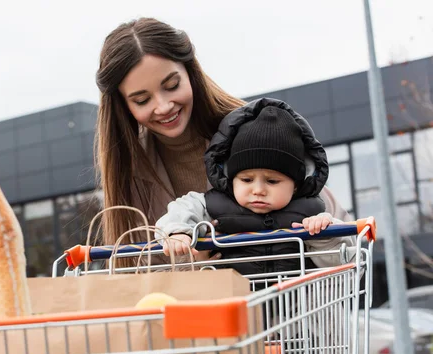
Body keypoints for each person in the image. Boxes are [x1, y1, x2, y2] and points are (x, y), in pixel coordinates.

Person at [94, 17, 352, 261]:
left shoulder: (252, 132)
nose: (163, 106)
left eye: (172, 85)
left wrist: (322, 235)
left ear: (190, 73)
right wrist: (197, 268)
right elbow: (143, 273)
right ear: (123, 105)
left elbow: (333, 234)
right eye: (142, 100)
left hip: (288, 300)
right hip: (196, 304)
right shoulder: (130, 171)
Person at [155, 97, 353, 272]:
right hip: (234, 303)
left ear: (295, 185)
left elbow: (342, 262)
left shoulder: (309, 213)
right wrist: (178, 231)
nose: (258, 190)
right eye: (246, 180)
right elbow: (183, 208)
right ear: (230, 178)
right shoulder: (214, 204)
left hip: (294, 306)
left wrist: (324, 234)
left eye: (272, 181)